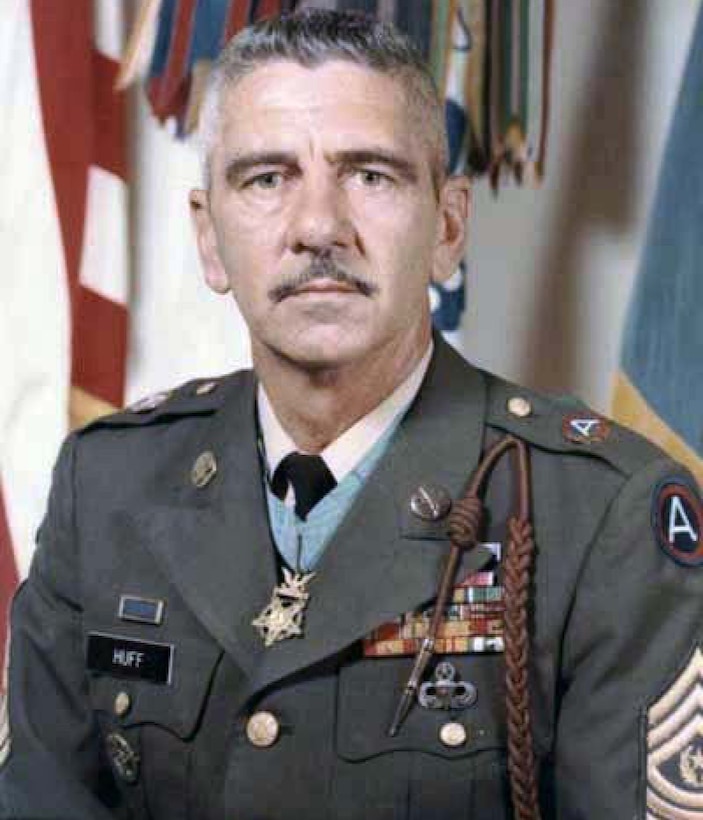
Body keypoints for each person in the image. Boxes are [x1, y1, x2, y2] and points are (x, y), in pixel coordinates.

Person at [2, 9, 702, 820]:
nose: (317, 227)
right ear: (208, 237)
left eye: (370, 175)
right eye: (267, 178)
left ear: (447, 228)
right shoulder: (108, 484)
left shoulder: (600, 516)